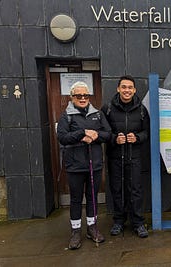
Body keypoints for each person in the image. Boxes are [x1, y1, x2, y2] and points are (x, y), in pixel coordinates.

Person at [57, 81, 111, 250]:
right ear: (72, 97)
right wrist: (82, 134)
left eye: (85, 95)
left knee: (92, 198)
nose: (82, 98)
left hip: (94, 164)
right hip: (75, 165)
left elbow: (108, 134)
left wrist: (95, 136)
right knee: (75, 199)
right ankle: (75, 231)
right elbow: (62, 137)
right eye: (78, 96)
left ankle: (92, 228)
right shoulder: (67, 115)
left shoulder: (98, 114)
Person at [103, 75, 150, 238]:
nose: (127, 90)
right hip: (115, 157)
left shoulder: (142, 109)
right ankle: (118, 222)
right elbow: (104, 132)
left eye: (130, 87)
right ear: (118, 89)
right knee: (117, 190)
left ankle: (138, 223)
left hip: (135, 157)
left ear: (134, 90)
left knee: (135, 190)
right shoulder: (108, 108)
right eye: (124, 87)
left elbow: (147, 132)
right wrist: (114, 138)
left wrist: (137, 138)